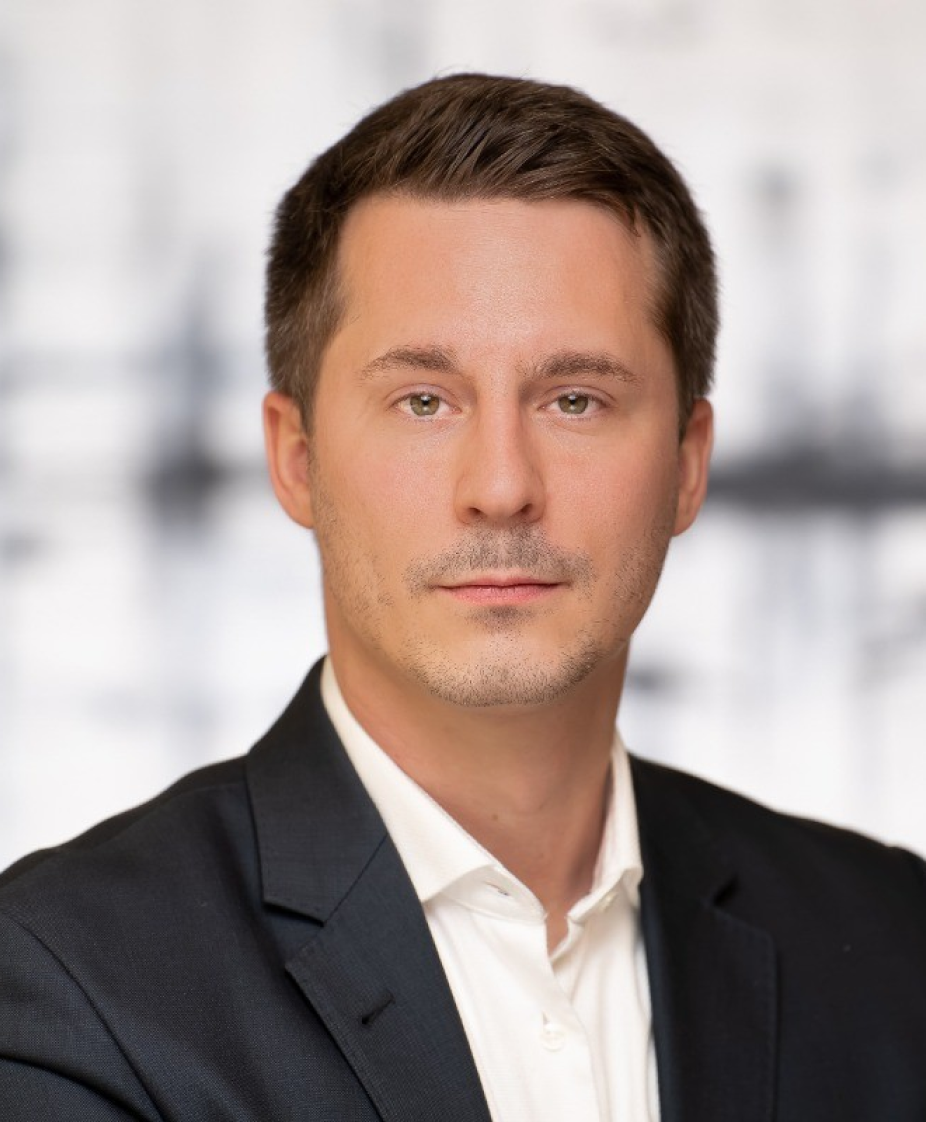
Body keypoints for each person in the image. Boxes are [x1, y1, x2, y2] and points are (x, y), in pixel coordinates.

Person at [1, 73, 924, 1122]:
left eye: (574, 399)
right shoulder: (68, 989)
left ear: (686, 464)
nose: (499, 486)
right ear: (297, 459)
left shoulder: (893, 942)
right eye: (423, 401)